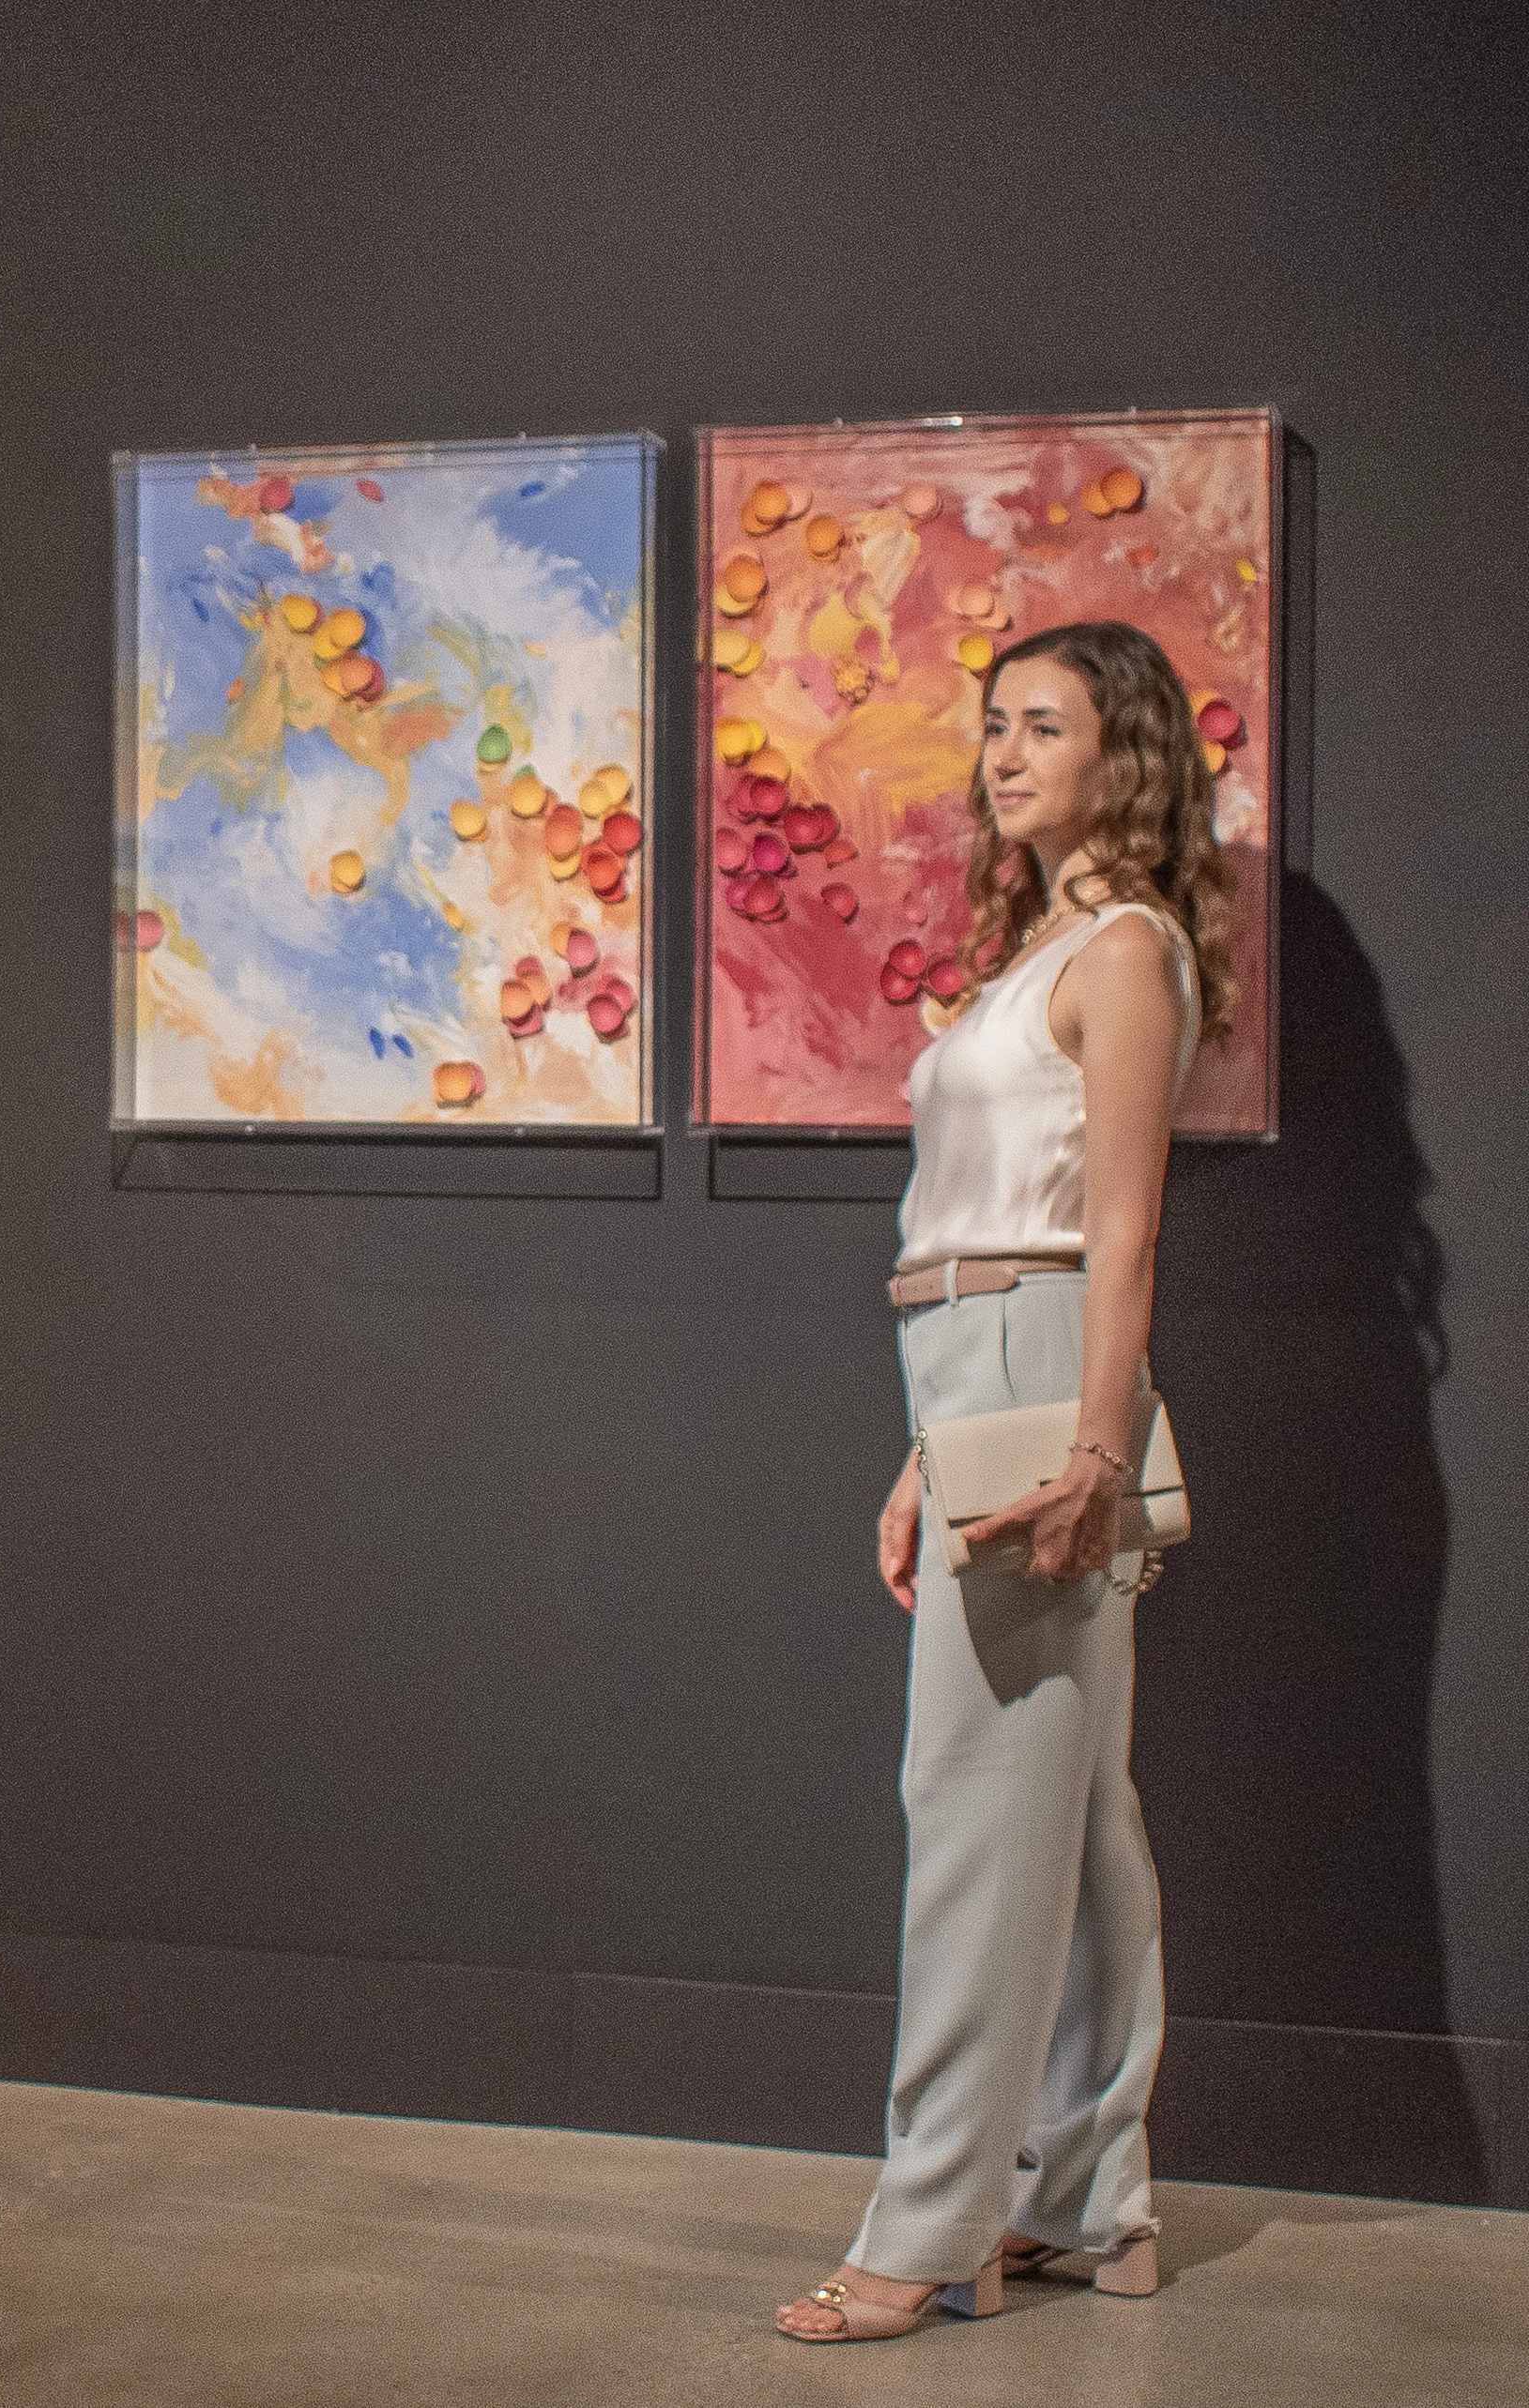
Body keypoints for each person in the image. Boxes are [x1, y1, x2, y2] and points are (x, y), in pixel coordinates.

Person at [775, 619, 1233, 2342]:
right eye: (994, 726)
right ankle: (1089, 2201)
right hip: (973, 1365)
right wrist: (928, 1447)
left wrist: (1092, 1449)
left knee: (974, 1803)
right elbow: (979, 1217)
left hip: (1046, 1363)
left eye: (1045, 724)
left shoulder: (1124, 952)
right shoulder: (1032, 950)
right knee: (1074, 1810)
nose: (1006, 754)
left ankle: (932, 2219)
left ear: (1125, 751)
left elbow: (1118, 1234)